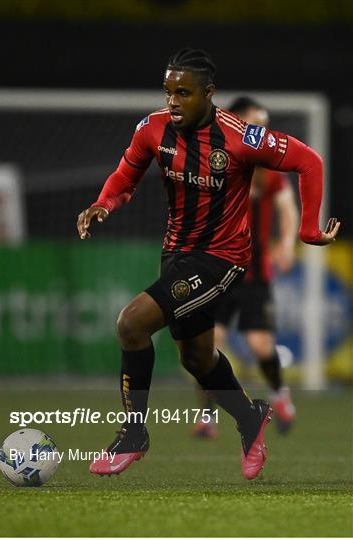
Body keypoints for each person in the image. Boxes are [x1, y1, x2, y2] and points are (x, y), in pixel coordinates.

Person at [77, 48, 340, 481]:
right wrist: (103, 203)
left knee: (131, 324)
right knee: (197, 357)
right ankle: (250, 417)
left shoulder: (242, 137)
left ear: (209, 93)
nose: (173, 101)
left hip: (223, 258)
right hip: (176, 252)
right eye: (168, 92)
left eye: (183, 92)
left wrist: (308, 229)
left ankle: (133, 434)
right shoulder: (152, 129)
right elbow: (126, 174)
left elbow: (309, 161)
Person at [192, 97, 299, 439]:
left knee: (261, 347)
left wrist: (285, 243)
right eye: (256, 123)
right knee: (208, 344)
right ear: (235, 123)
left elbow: (287, 208)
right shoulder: (213, 163)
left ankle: (281, 397)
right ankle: (208, 418)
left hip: (254, 275)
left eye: (265, 124)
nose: (263, 131)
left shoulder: (269, 171)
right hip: (217, 271)